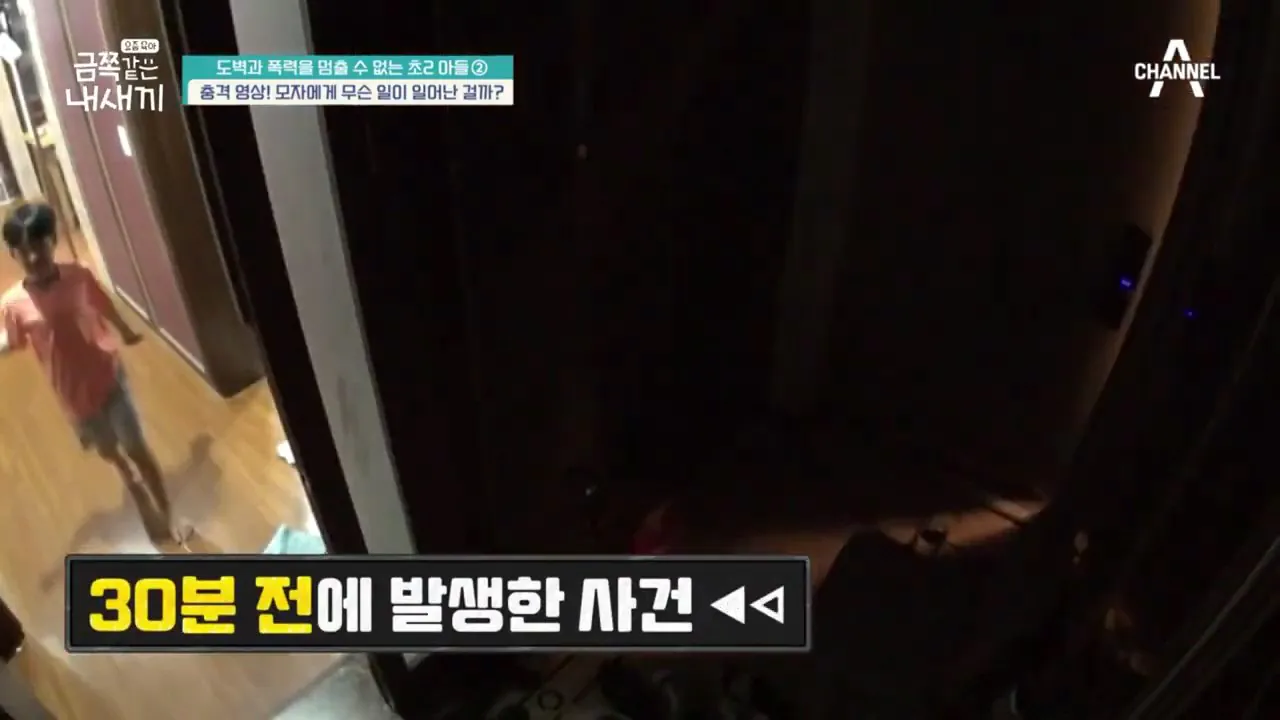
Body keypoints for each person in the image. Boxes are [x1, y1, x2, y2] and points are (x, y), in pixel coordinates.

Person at [0, 202, 188, 547]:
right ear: (13, 253)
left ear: (52, 239)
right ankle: (123, 471)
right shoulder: (12, 304)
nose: (33, 257)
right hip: (72, 394)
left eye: (39, 246)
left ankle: (169, 512)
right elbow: (13, 342)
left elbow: (103, 304)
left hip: (109, 376)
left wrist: (125, 331)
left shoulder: (78, 276)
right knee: (109, 450)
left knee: (136, 446)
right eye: (23, 251)